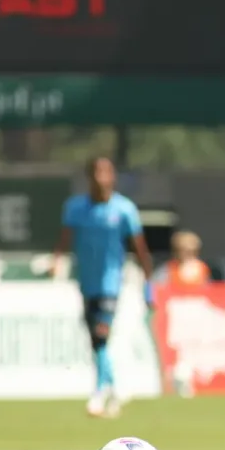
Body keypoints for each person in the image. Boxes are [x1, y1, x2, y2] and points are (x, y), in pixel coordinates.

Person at [52, 157, 154, 418]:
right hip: (87, 283)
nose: (102, 177)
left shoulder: (124, 209)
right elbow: (64, 240)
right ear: (89, 177)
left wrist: (148, 284)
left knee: (101, 334)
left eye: (106, 171)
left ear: (113, 176)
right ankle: (115, 386)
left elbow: (140, 249)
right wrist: (57, 261)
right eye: (97, 172)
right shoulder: (75, 208)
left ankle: (99, 392)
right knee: (96, 342)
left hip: (111, 283)